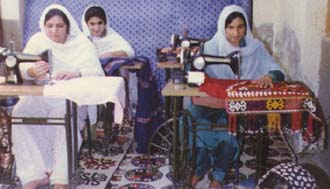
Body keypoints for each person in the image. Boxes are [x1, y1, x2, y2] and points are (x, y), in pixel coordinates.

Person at [188, 5, 285, 188]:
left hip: (236, 105)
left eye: (240, 27)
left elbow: (277, 71)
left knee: (229, 132)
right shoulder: (209, 47)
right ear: (222, 27)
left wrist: (269, 76)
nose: (235, 33)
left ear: (246, 27)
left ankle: (218, 175)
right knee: (193, 123)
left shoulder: (255, 48)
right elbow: (193, 71)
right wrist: (189, 64)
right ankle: (199, 169)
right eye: (230, 27)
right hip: (210, 101)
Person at [12, 4, 104, 189]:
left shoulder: (81, 44)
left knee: (63, 117)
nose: (54, 31)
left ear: (67, 27)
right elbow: (21, 67)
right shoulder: (38, 40)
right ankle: (33, 174)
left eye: (59, 26)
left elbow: (97, 71)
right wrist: (31, 70)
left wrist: (76, 72)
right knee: (19, 113)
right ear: (43, 26)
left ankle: (60, 178)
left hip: (69, 98)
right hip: (41, 95)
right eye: (49, 26)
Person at [81, 5, 135, 123]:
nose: (96, 28)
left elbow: (129, 52)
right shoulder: (81, 40)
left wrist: (105, 55)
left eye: (100, 23)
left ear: (105, 23)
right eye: (92, 24)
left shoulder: (111, 36)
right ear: (86, 24)